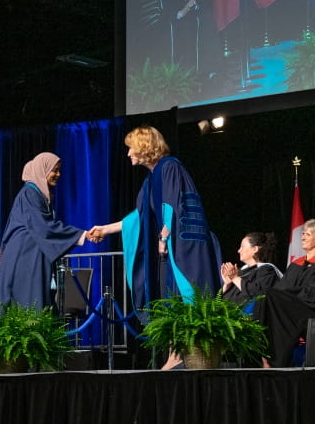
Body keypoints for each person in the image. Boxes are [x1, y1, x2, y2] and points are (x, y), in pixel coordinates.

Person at [90, 126, 220, 312]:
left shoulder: (170, 167)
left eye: (131, 147)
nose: (128, 154)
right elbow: (139, 216)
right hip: (167, 249)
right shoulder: (151, 179)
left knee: (189, 301)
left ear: (143, 147)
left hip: (182, 248)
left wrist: (164, 237)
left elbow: (173, 206)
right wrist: (106, 229)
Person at [0, 153, 92, 311]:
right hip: (24, 259)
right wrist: (82, 235)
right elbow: (44, 227)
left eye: (59, 170)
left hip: (32, 255)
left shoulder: (39, 195)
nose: (58, 175)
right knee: (28, 306)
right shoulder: (30, 193)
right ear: (42, 169)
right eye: (55, 170)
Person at [253, 219, 315, 367]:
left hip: (311, 312)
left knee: (272, 296)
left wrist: (286, 295)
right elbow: (282, 288)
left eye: (308, 234)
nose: (302, 237)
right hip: (291, 308)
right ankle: (260, 348)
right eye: (303, 233)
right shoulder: (297, 263)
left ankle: (275, 359)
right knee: (265, 296)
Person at [220, 232, 283, 309]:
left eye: (242, 246)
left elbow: (259, 296)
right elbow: (224, 302)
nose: (239, 250)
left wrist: (235, 278)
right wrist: (227, 285)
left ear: (255, 249)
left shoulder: (267, 271)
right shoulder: (240, 272)